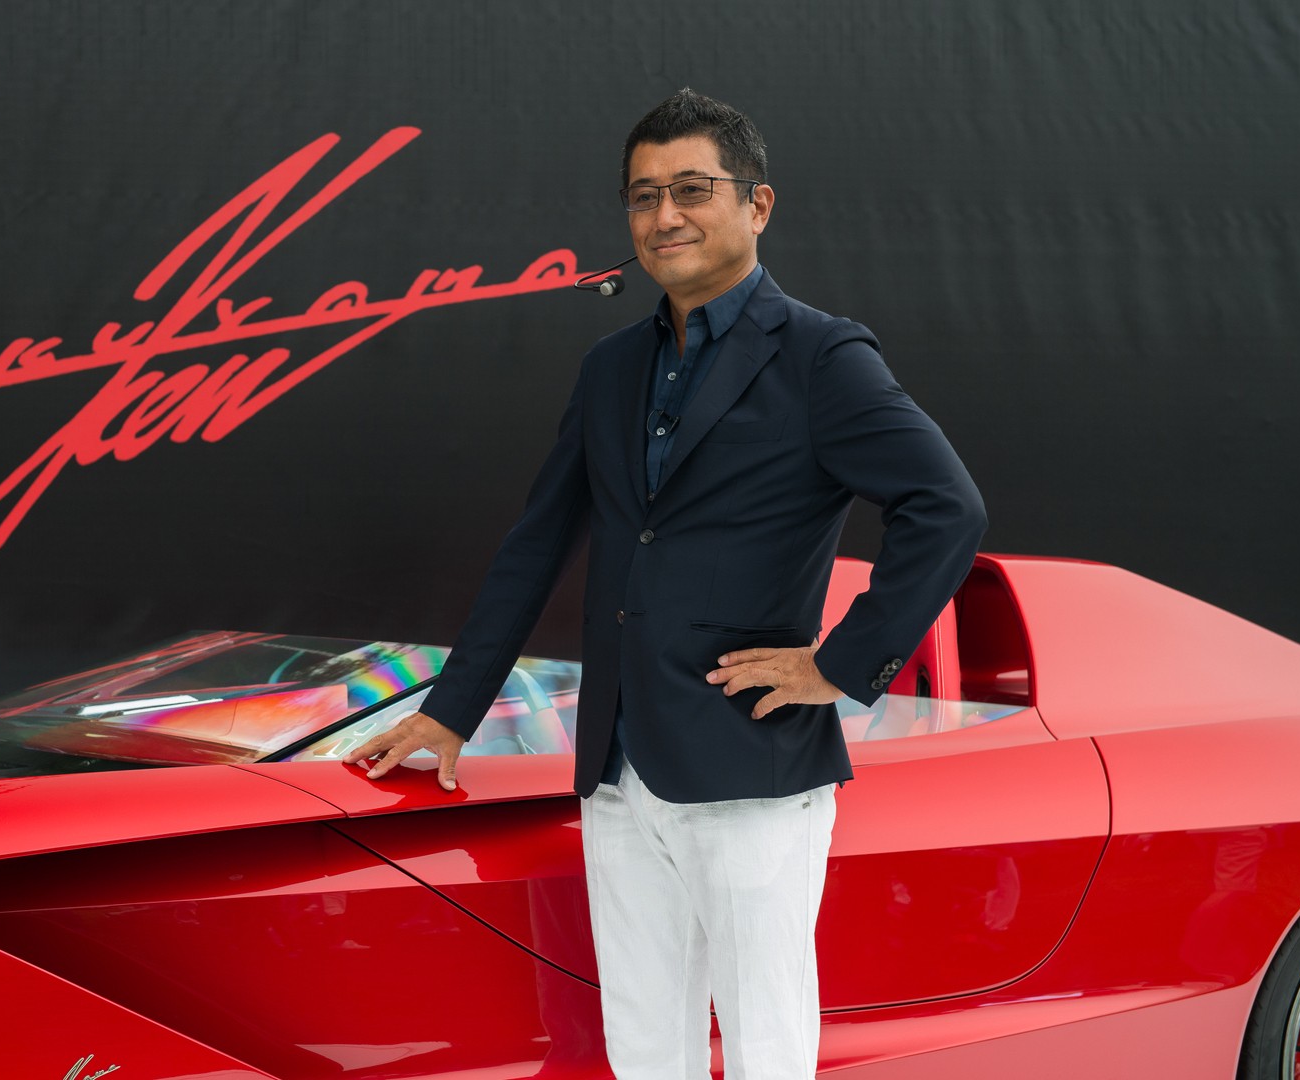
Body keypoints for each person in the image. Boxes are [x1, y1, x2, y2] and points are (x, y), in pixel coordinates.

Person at [345, 89, 985, 1079]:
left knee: (767, 1045)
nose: (664, 216)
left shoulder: (822, 356)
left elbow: (947, 506)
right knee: (644, 1045)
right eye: (643, 197)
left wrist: (838, 666)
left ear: (757, 204)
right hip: (618, 764)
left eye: (692, 190)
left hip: (752, 762)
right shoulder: (609, 368)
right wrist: (453, 709)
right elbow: (538, 542)